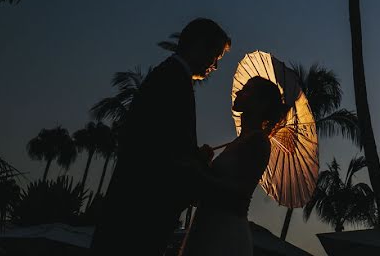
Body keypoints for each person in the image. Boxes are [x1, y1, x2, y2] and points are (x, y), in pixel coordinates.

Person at [91, 17, 231, 256]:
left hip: (133, 213)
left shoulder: (169, 77)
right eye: (215, 56)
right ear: (198, 46)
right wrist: (199, 165)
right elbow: (162, 154)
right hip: (138, 216)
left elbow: (164, 142)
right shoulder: (172, 81)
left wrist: (194, 157)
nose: (215, 65)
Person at [178, 76, 287, 256]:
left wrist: (199, 172)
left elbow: (239, 193)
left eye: (247, 90)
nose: (238, 92)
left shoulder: (258, 141)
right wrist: (204, 164)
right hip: (206, 226)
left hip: (223, 234)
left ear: (262, 104)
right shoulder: (237, 142)